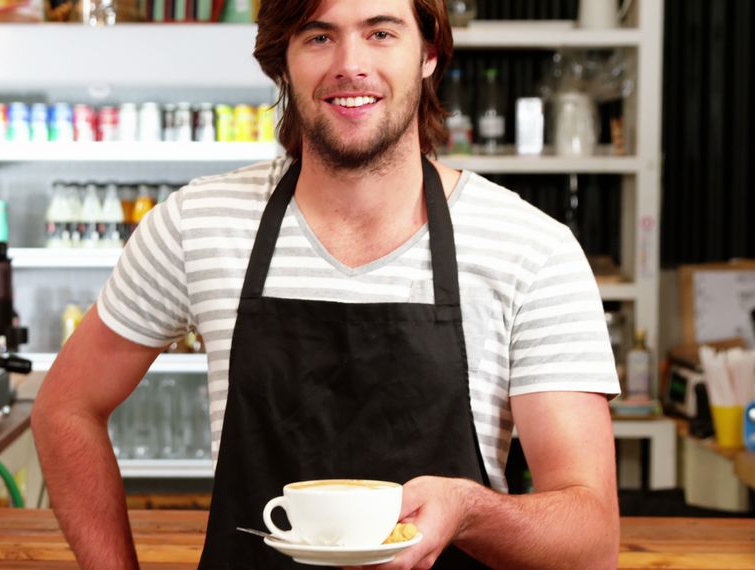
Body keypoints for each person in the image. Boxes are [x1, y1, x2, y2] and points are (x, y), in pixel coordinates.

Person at [31, 0, 621, 567]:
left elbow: (590, 542)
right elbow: (65, 408)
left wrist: (469, 510)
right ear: (281, 59)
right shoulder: (197, 225)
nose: (350, 64)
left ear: (429, 53)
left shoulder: (531, 249)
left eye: (381, 33)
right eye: (319, 35)